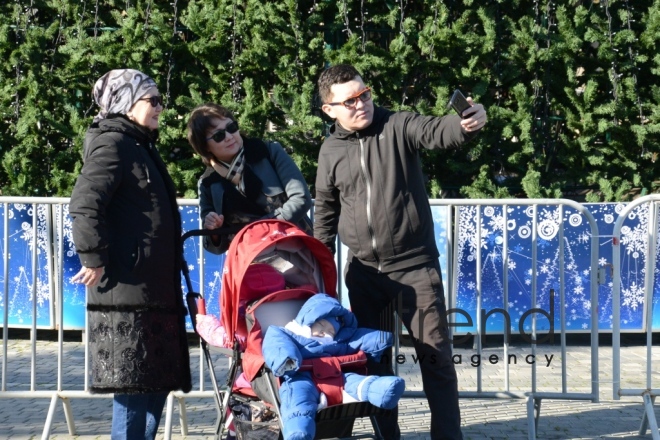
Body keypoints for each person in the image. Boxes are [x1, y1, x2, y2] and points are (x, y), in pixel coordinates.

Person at [314, 64, 488, 440]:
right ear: (329, 109)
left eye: (365, 94)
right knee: (374, 365)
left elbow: (436, 130)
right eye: (350, 101)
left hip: (416, 269)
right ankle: (386, 437)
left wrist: (465, 124)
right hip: (363, 275)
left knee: (436, 360)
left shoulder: (397, 125)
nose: (361, 104)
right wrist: (320, 278)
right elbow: (325, 213)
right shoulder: (329, 150)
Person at [69, 68, 192, 440]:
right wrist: (93, 255)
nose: (159, 108)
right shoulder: (113, 144)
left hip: (151, 289)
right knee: (134, 389)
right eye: (151, 100)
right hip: (128, 290)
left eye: (160, 99)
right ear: (125, 103)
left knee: (153, 385)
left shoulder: (137, 143)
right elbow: (85, 204)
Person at [262, 293, 406, 440]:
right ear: (309, 320)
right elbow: (277, 345)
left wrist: (380, 339)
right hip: (303, 377)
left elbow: (358, 338)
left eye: (331, 331)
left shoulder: (337, 342)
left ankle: (382, 390)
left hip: (338, 375)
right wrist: (286, 360)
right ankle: (298, 432)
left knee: (357, 382)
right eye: (322, 325)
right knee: (298, 400)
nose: (325, 332)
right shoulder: (287, 333)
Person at [186, 103, 313, 254]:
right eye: (218, 136)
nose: (229, 137)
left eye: (231, 128)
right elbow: (215, 247)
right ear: (204, 146)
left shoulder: (269, 151)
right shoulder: (207, 183)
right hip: (250, 261)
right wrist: (214, 229)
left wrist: (262, 229)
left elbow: (301, 198)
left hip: (295, 251)